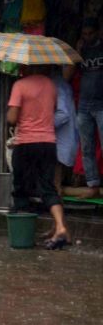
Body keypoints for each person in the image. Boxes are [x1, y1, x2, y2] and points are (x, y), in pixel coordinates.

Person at [8, 64, 71, 249]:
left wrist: (11, 111)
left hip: (26, 143)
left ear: (25, 66)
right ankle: (60, 227)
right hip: (48, 143)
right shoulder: (51, 85)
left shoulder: (19, 85)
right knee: (48, 188)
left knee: (21, 188)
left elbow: (12, 118)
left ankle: (23, 235)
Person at [68, 18, 102, 197]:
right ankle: (92, 184)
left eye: (90, 34)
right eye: (85, 34)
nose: (87, 37)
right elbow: (70, 73)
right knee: (87, 146)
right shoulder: (81, 52)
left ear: (97, 32)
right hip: (84, 104)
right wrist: (78, 51)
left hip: (101, 104)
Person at [53, 70, 78, 196]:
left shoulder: (56, 85)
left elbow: (63, 114)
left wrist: (44, 125)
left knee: (55, 183)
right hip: (64, 140)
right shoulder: (60, 83)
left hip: (60, 142)